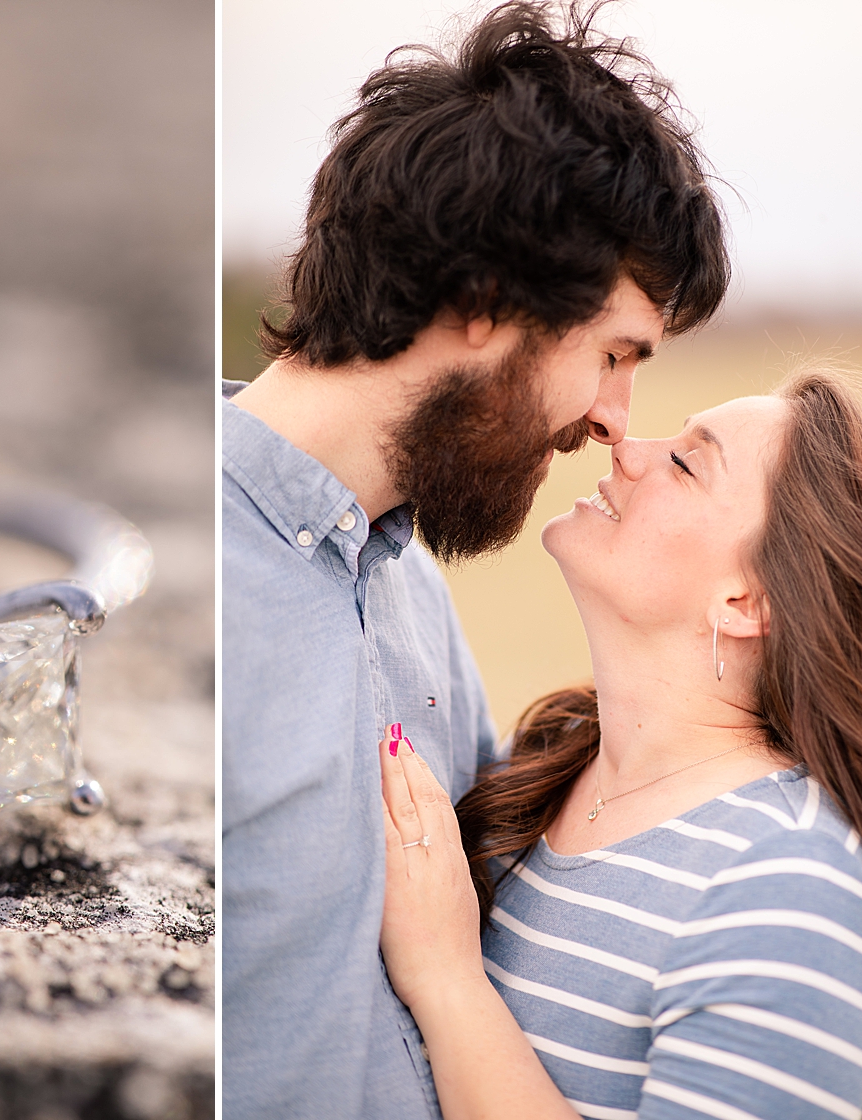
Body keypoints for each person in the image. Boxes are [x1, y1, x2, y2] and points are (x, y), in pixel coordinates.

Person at [223, 3, 728, 1117]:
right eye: (613, 354)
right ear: (490, 300)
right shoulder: (204, 572)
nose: (614, 417)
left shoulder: (409, 589)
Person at [378, 370, 862, 1120]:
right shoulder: (549, 759)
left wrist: (445, 975)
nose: (626, 445)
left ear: (745, 602)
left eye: (688, 462)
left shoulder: (791, 890)